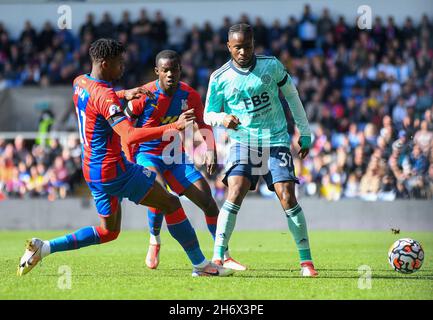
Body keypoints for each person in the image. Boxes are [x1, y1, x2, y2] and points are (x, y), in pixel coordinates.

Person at [17, 39, 233, 278]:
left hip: (92, 170)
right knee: (171, 203)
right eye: (119, 63)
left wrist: (124, 94)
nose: (123, 68)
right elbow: (129, 135)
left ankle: (44, 247)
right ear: (105, 63)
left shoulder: (80, 82)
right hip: (114, 169)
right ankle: (201, 266)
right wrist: (176, 126)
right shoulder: (106, 96)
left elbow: (96, 102)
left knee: (108, 232)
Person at [204, 24, 318, 276]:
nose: (243, 51)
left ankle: (306, 261)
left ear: (253, 44)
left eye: (247, 46)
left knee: (287, 196)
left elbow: (292, 96)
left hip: (275, 139)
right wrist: (222, 118)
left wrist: (305, 132)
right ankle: (218, 258)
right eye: (237, 47)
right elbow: (207, 113)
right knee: (235, 190)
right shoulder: (220, 78)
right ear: (228, 47)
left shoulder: (271, 66)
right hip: (243, 142)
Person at [124, 49, 245, 271]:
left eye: (174, 69)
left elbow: (203, 122)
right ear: (157, 72)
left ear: (180, 70)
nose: (170, 74)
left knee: (208, 201)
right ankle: (154, 239)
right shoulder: (143, 96)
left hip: (176, 157)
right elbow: (124, 128)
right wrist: (129, 159)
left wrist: (210, 148)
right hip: (147, 155)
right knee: (159, 192)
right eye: (165, 70)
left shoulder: (189, 95)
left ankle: (222, 255)